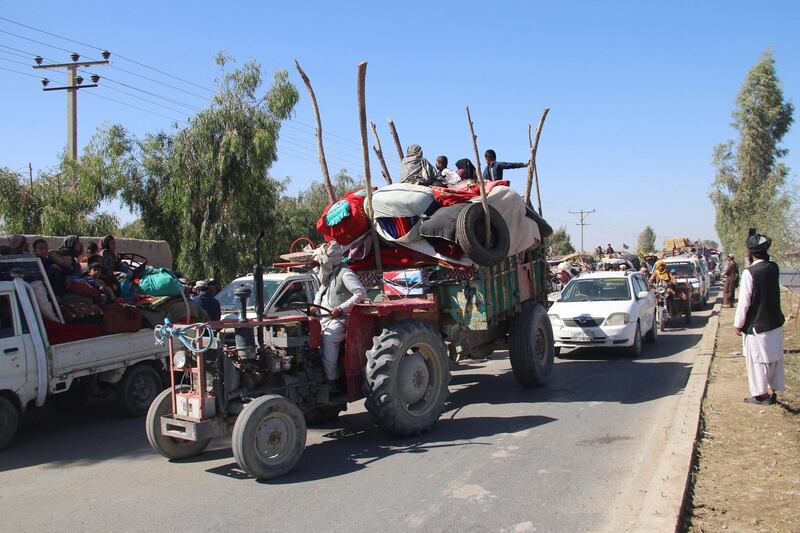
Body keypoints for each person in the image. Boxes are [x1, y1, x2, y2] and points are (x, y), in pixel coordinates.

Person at [734, 230, 785, 405]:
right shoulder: (774, 267)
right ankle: (773, 390)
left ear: (751, 253)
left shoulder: (750, 273)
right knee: (773, 358)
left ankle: (761, 396)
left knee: (757, 360)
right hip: (775, 322)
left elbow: (744, 302)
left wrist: (738, 324)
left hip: (757, 326)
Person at [310, 242, 367, 384]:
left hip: (341, 319)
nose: (319, 266)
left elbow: (361, 293)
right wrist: (315, 307)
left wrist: (340, 308)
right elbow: (320, 293)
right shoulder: (328, 275)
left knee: (328, 339)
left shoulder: (345, 273)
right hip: (324, 318)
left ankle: (331, 381)